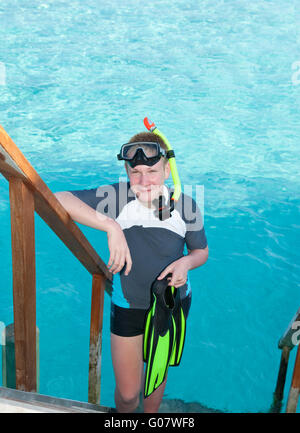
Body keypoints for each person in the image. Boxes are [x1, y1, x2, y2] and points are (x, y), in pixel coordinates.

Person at [55, 130, 208, 413]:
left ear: (166, 170)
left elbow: (201, 252)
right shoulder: (116, 197)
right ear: (126, 170)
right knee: (128, 396)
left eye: (152, 170)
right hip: (128, 305)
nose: (144, 180)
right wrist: (110, 226)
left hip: (171, 305)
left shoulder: (186, 206)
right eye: (135, 171)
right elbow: (59, 198)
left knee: (153, 389)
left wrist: (185, 263)